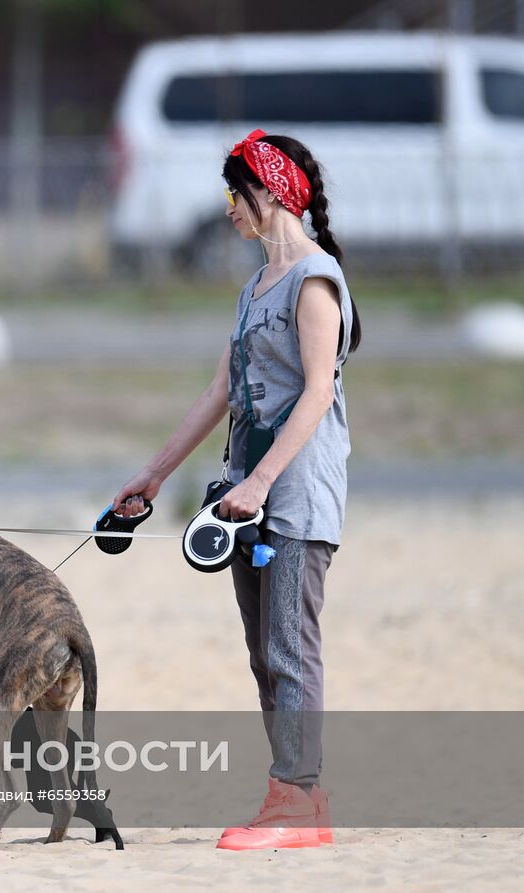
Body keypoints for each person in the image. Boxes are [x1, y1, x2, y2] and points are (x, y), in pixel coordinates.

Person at [112, 129, 361, 851]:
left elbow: (318, 393)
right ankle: (296, 788)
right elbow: (223, 387)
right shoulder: (255, 287)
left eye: (235, 194)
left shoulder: (315, 280)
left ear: (271, 191)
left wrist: (260, 481)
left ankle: (299, 803)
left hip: (293, 494)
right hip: (245, 497)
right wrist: (155, 472)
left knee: (291, 648)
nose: (228, 210)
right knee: (264, 653)